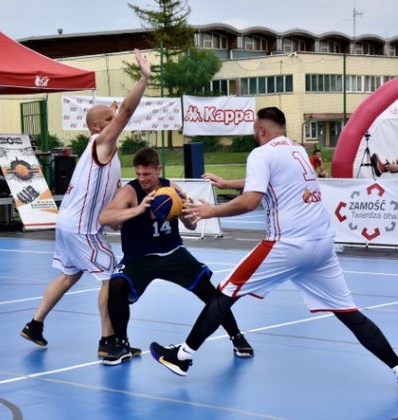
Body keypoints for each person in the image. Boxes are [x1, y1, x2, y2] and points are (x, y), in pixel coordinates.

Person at [150, 107, 398, 381]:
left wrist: (211, 211)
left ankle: (182, 356)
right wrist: (227, 183)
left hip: (287, 243)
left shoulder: (261, 153)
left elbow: (251, 201)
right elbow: (269, 182)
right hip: (322, 245)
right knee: (349, 313)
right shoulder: (297, 151)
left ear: (261, 130)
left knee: (225, 293)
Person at [20, 49, 151, 356]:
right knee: (111, 277)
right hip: (82, 228)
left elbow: (113, 195)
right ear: (95, 128)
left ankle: (35, 325)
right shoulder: (100, 143)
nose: (116, 121)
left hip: (69, 224)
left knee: (69, 275)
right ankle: (109, 342)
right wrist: (144, 78)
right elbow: (127, 113)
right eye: (109, 119)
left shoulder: (110, 152)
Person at [97, 148, 253, 365]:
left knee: (210, 291)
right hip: (139, 258)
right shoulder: (130, 192)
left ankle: (237, 336)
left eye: (147, 175)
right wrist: (138, 209)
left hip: (173, 254)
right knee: (116, 287)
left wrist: (186, 212)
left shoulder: (171, 188)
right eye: (139, 174)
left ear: (158, 170)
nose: (142, 179)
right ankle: (121, 344)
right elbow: (105, 217)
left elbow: (191, 224)